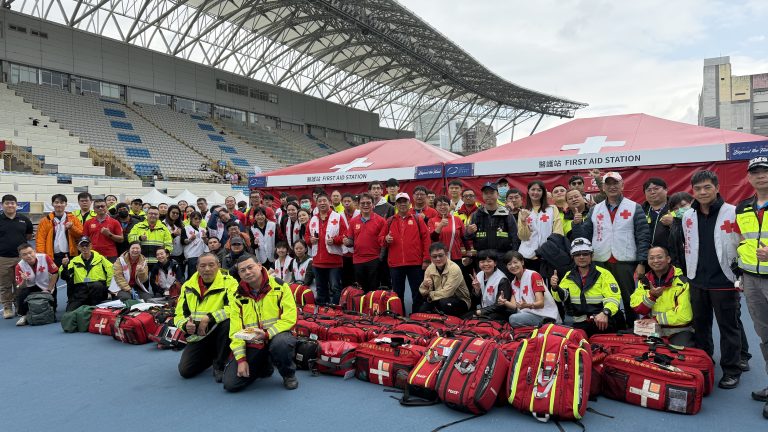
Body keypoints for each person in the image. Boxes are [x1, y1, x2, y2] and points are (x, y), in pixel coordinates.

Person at [677, 170, 750, 389]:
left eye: (707, 187)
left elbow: (743, 242)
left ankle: (732, 369)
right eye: (697, 188)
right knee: (701, 326)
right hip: (697, 279)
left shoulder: (732, 212)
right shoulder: (688, 216)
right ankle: (704, 362)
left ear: (717, 188)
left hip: (724, 280)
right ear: (692, 191)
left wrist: (740, 273)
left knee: (729, 327)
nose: (702, 192)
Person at [572, 172, 650, 323]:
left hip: (625, 261)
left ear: (622, 185)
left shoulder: (634, 207)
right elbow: (585, 236)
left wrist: (642, 262)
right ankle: (610, 327)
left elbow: (643, 237)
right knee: (604, 298)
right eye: (608, 184)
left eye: (616, 183)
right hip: (601, 261)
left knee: (629, 299)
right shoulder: (595, 209)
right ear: (603, 187)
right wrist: (577, 224)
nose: (612, 187)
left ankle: (632, 328)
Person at [224, 255, 299, 392]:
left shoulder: (280, 286)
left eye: (250, 267)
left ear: (259, 266)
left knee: (281, 344)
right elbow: (235, 331)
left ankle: (288, 374)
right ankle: (264, 365)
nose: (247, 272)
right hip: (253, 342)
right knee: (231, 384)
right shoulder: (237, 296)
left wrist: (267, 334)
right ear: (239, 274)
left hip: (276, 335)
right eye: (242, 270)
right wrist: (241, 360)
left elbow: (289, 318)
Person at [735, 156, 768, 418]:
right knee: (765, 336)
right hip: (752, 281)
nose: (760, 175)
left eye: (765, 171)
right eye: (755, 172)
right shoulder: (743, 207)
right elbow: (741, 240)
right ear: (748, 178)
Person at [175, 253, 237, 382]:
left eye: (211, 265)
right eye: (202, 266)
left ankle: (220, 364)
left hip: (219, 331)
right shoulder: (187, 286)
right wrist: (185, 325)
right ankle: (213, 355)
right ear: (197, 267)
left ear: (218, 266)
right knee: (185, 371)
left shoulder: (230, 282)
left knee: (229, 321)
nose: (207, 269)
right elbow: (178, 314)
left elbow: (234, 308)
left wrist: (209, 318)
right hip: (198, 336)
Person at [550, 238, 625, 336]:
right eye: (577, 254)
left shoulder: (604, 274)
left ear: (591, 255)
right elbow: (561, 298)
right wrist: (555, 288)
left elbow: (613, 298)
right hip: (580, 322)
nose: (581, 257)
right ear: (573, 257)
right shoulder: (569, 275)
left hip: (603, 319)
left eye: (585, 254)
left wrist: (605, 312)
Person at [631, 246, 694, 347]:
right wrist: (652, 296)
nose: (655, 261)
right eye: (651, 258)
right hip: (652, 330)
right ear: (648, 261)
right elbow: (638, 308)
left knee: (680, 353)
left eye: (659, 257)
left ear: (668, 259)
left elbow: (684, 316)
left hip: (678, 330)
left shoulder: (682, 282)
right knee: (634, 349)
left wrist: (656, 320)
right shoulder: (644, 281)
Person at [387, 193, 430, 313]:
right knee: (397, 293)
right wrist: (385, 239)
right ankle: (399, 316)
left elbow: (426, 239)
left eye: (404, 201)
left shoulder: (418, 219)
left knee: (418, 292)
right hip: (396, 264)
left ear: (409, 203)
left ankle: (417, 316)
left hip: (415, 263)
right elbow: (380, 239)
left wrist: (426, 259)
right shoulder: (390, 221)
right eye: (399, 202)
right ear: (396, 205)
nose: (402, 204)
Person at [305, 193, 347, 304]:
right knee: (320, 289)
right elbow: (306, 236)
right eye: (320, 201)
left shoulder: (338, 217)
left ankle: (335, 309)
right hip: (317, 262)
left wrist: (335, 240)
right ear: (316, 204)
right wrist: (310, 240)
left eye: (324, 201)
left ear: (330, 202)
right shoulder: (313, 219)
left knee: (335, 288)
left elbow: (345, 235)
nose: (322, 203)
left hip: (334, 262)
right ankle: (322, 310)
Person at [518, 180, 564, 273]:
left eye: (539, 190)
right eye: (533, 189)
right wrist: (523, 221)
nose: (535, 192)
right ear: (528, 192)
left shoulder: (552, 209)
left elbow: (558, 232)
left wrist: (549, 247)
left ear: (543, 193)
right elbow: (523, 237)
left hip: (547, 255)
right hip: (528, 255)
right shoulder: (523, 211)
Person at [465, 182, 520, 258]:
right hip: (482, 258)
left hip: (502, 257)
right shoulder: (476, 215)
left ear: (498, 195)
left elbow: (515, 238)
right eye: (486, 193)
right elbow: (468, 237)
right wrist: (468, 232)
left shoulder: (507, 214)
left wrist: (512, 256)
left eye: (491, 193)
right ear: (482, 196)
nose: (489, 195)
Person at [0, 194, 34, 319]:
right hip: (3, 258)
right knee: (5, 285)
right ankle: (7, 307)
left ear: (16, 205)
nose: (10, 205)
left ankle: (18, 304)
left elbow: (28, 236)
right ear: (2, 205)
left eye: (12, 203)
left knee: (21, 283)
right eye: (7, 203)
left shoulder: (24, 220)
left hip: (21, 258)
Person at [505, 250, 560, 327]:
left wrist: (527, 305)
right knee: (507, 317)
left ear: (522, 262)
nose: (513, 266)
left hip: (544, 315)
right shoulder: (513, 283)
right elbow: (514, 306)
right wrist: (504, 302)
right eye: (509, 264)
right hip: (527, 315)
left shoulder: (533, 275)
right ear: (506, 267)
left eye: (515, 262)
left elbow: (540, 303)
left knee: (513, 319)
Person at [345, 193, 387, 292]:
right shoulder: (353, 221)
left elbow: (384, 243)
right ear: (358, 205)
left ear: (373, 205)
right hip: (358, 260)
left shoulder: (381, 221)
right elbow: (350, 240)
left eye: (368, 203)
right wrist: (347, 242)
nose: (365, 205)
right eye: (362, 203)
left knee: (373, 290)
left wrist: (380, 258)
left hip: (374, 260)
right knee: (361, 290)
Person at [62, 236, 113, 312]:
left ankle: (95, 307)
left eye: (87, 245)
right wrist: (64, 266)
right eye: (82, 246)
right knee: (69, 313)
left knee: (97, 286)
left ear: (91, 246)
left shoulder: (101, 259)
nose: (85, 247)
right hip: (81, 291)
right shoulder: (74, 261)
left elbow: (111, 271)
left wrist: (108, 288)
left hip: (97, 291)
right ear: (78, 247)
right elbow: (64, 276)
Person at [419, 242, 471, 316]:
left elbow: (447, 293)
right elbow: (423, 291)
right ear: (430, 257)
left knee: (445, 303)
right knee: (422, 310)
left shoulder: (454, 268)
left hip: (460, 300)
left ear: (446, 255)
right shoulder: (429, 268)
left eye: (440, 255)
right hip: (438, 298)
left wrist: (430, 295)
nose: (438, 259)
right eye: (434, 256)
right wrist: (425, 285)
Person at [14, 243, 59, 326]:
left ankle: (52, 308)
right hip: (30, 286)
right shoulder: (19, 266)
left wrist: (49, 289)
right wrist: (24, 280)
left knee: (52, 308)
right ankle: (23, 315)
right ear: (20, 256)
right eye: (24, 254)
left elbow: (55, 272)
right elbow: (20, 286)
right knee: (22, 293)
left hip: (46, 285)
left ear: (34, 251)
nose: (28, 256)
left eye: (30, 252)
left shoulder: (44, 257)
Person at [36, 194, 83, 268]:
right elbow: (40, 240)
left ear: (66, 204)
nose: (59, 205)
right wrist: (41, 256)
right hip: (52, 255)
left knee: (70, 274)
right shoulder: (45, 221)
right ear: (52, 204)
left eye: (62, 202)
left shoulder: (73, 219)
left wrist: (72, 227)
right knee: (53, 275)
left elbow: (80, 235)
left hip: (70, 254)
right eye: (56, 202)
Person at [469, 250, 512, 322]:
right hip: (482, 310)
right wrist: (477, 290)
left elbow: (501, 306)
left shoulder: (502, 279)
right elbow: (475, 302)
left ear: (495, 263)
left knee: (477, 321)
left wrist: (480, 311)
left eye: (489, 261)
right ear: (478, 264)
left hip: (498, 313)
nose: (486, 264)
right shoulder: (479, 275)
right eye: (482, 262)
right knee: (464, 318)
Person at [642, 177, 673, 251]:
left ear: (666, 190)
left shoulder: (676, 207)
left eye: (656, 189)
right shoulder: (640, 211)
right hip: (647, 255)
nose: (652, 192)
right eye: (649, 190)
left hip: (671, 254)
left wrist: (674, 223)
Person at [339, 193, 359, 287]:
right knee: (345, 280)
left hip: (357, 252)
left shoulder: (360, 214)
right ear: (342, 203)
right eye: (345, 201)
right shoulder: (338, 215)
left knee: (357, 279)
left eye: (349, 201)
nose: (347, 203)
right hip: (343, 252)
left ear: (354, 202)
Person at [182, 211, 207, 280]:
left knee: (202, 276)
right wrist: (190, 239)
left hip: (202, 255)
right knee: (193, 276)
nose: (198, 220)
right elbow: (183, 241)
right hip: (191, 256)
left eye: (199, 219)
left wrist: (205, 239)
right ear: (191, 219)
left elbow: (207, 243)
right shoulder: (186, 228)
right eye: (195, 218)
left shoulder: (203, 230)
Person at [164, 205, 186, 270]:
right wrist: (174, 235)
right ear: (169, 213)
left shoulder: (181, 224)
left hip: (179, 254)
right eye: (173, 213)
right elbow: (163, 239)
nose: (175, 214)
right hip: (167, 254)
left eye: (177, 213)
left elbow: (183, 240)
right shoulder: (163, 224)